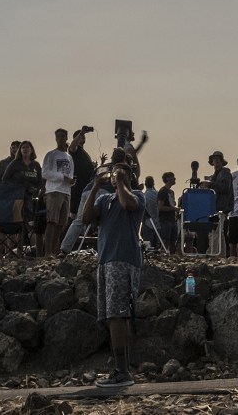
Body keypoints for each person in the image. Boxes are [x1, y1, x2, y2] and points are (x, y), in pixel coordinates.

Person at [85, 163, 143, 387]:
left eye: (121, 171)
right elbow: (86, 217)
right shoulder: (103, 199)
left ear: (131, 176)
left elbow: (128, 203)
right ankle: (120, 368)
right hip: (105, 260)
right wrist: (94, 187)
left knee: (118, 313)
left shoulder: (137, 195)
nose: (115, 173)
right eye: (114, 171)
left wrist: (120, 181)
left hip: (123, 259)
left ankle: (123, 372)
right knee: (112, 315)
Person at [41, 129, 75, 259]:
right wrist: (62, 177)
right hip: (54, 191)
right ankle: (47, 252)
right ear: (55, 138)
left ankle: (54, 251)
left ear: (66, 137)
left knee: (61, 224)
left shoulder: (69, 157)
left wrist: (71, 181)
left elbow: (70, 174)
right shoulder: (51, 155)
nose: (60, 138)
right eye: (58, 136)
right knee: (52, 222)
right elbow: (45, 173)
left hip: (66, 192)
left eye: (63, 136)